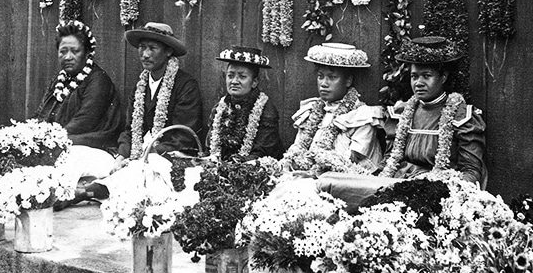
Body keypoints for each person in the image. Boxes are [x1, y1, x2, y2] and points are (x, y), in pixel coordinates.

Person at [33, 21, 124, 208]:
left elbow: (84, 122)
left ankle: (61, 195)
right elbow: (42, 116)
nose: (68, 57)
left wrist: (48, 141)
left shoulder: (98, 80)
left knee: (71, 156)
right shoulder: (60, 80)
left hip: (98, 151)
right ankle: (73, 191)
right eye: (63, 51)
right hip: (62, 144)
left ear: (87, 53)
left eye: (75, 51)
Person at [375, 36, 486, 185]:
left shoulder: (461, 116)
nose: (419, 83)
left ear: (443, 77)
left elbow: (471, 171)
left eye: (427, 76)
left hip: (440, 188)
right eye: (414, 76)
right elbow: (388, 161)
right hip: (399, 183)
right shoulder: (401, 114)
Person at [281, 43, 381, 173]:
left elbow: (351, 163)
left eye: (332, 77)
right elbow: (297, 149)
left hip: (341, 181)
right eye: (320, 76)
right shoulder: (312, 111)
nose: (323, 83)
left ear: (348, 81)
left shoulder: (362, 117)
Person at [115, 22, 205, 158]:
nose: (145, 54)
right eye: (142, 47)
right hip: (140, 156)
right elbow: (130, 131)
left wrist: (151, 153)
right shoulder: (140, 86)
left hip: (172, 158)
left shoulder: (186, 86)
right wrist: (122, 155)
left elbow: (184, 136)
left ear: (168, 51)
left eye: (152, 48)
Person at [206, 46, 282, 162]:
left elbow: (263, 153)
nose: (234, 81)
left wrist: (235, 163)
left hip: (254, 169)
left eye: (242, 77)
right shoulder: (220, 107)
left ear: (254, 82)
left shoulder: (266, 110)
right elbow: (210, 146)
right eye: (230, 76)